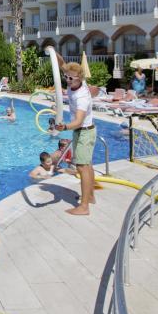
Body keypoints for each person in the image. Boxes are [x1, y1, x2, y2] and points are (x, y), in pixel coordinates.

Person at [53, 62, 96, 216]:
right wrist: (52, 51)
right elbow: (62, 64)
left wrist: (64, 127)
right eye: (66, 77)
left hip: (84, 131)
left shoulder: (81, 97)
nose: (68, 80)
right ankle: (90, 196)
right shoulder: (76, 83)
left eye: (71, 78)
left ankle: (84, 207)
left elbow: (78, 121)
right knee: (87, 165)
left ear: (80, 78)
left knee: (82, 167)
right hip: (82, 131)